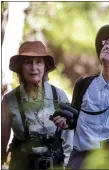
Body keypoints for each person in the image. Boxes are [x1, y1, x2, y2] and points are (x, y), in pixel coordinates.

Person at [53, 25, 109, 169]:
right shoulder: (83, 84)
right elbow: (74, 119)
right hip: (79, 160)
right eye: (106, 43)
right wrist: (65, 121)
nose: (108, 46)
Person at [1, 41, 74, 170]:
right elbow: (1, 143)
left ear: (45, 66)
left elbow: (69, 139)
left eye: (38, 62)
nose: (34, 68)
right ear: (20, 68)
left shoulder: (58, 96)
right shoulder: (9, 100)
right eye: (28, 62)